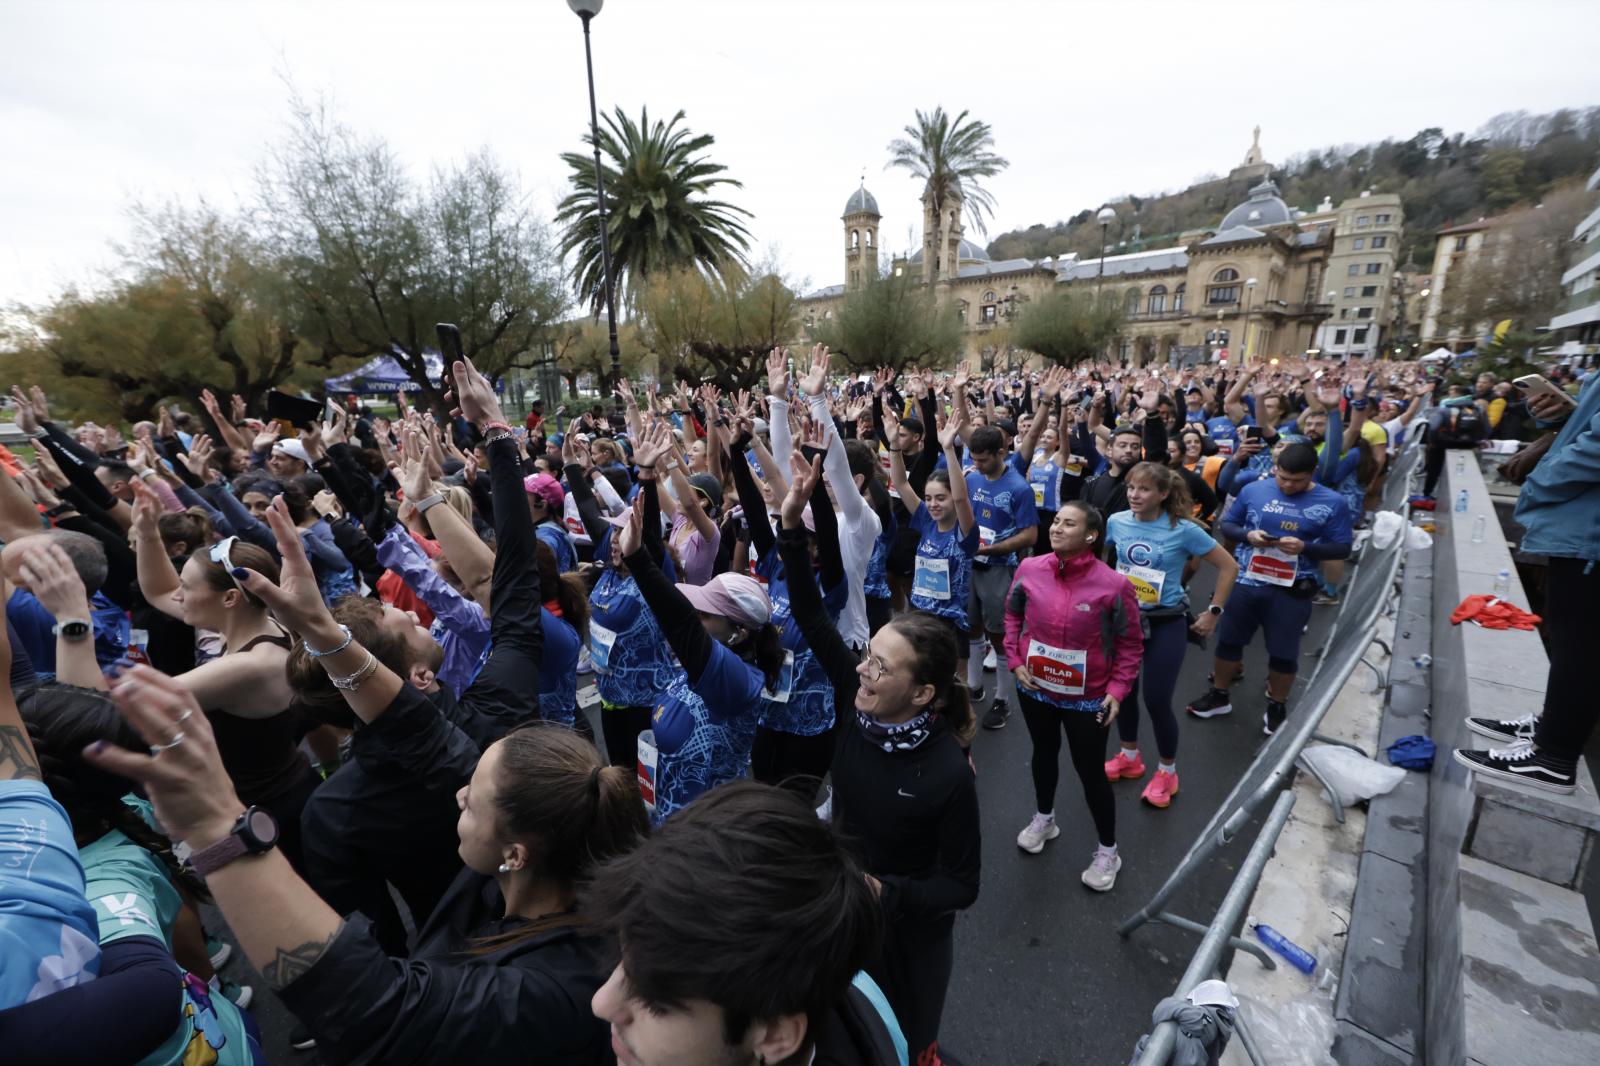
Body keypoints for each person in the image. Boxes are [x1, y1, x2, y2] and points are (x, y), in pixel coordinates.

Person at [83, 355, 650, 1066]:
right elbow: (443, 700)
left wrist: (213, 831)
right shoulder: (499, 754)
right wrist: (324, 632)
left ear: (515, 851)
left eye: (471, 802)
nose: (459, 790)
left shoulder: (546, 991)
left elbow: (368, 996)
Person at [775, 453, 979, 1065]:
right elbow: (811, 612)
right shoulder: (853, 695)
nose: (864, 669)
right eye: (869, 656)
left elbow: (961, 886)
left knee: (906, 1044)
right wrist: (791, 522)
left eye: (881, 667)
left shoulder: (947, 773)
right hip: (840, 912)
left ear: (921, 694)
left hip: (909, 938)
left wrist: (885, 892)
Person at [585, 781, 906, 1066]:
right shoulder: (853, 990)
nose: (601, 1002)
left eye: (655, 1002)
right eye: (622, 960)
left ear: (775, 1036)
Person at [129, 484, 321, 871]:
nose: (178, 596)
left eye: (188, 587)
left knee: (305, 916)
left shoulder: (248, 666)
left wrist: (71, 627)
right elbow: (159, 590)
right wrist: (148, 532)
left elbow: (128, 703)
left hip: (275, 816)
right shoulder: (259, 624)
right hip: (280, 798)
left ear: (230, 598)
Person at [618, 421, 783, 824]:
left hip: (704, 829)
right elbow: (666, 580)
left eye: (706, 614)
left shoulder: (737, 680)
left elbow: (679, 622)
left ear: (740, 631)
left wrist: (638, 561)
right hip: (664, 813)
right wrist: (645, 478)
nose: (695, 616)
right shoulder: (712, 659)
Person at [1454, 375, 1600, 793]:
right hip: (1582, 526)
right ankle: (1552, 724)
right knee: (1569, 634)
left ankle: (1553, 756)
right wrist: (1571, 417)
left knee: (1582, 643)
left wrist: (1540, 476)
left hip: (1590, 533)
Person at [1003, 501, 1143, 887]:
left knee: (1089, 771)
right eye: (1057, 521)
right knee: (1043, 755)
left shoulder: (1115, 585)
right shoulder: (1030, 568)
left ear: (1091, 536)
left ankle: (1108, 852)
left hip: (1088, 698)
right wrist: (1015, 661)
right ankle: (1044, 819)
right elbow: (1012, 615)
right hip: (1036, 690)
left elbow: (1131, 644)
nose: (1057, 528)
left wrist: (1117, 690)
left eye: (1069, 523)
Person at [1185, 443, 1354, 736]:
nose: (1288, 485)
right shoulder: (1255, 490)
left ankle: (1276, 703)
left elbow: (1342, 547)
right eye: (1282, 477)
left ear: (1312, 474)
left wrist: (1306, 547)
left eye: (1296, 481)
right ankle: (1220, 695)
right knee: (1228, 643)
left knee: (1283, 653)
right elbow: (1228, 525)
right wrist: (1248, 535)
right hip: (1248, 581)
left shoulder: (1333, 502)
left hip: (1291, 589)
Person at [1102, 464, 1237, 808]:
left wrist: (1214, 612)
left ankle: (1167, 771)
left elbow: (1228, 566)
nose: (1134, 495)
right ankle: (1129, 756)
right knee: (1124, 694)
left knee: (1157, 699)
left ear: (1163, 494)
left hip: (1166, 622)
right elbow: (1105, 563)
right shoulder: (1116, 522)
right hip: (1125, 623)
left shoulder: (1183, 529)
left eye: (1144, 489)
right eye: (1131, 488)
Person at [887, 409, 979, 690]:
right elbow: (901, 483)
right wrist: (893, 446)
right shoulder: (926, 519)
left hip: (950, 623)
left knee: (952, 689)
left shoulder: (965, 532)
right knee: (922, 683)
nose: (934, 504)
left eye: (941, 498)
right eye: (928, 498)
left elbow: (962, 498)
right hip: (919, 615)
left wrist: (948, 449)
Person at [959, 422, 1039, 731]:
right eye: (974, 459)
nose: (977, 465)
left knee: (999, 634)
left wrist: (993, 550)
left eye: (983, 460)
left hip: (999, 567)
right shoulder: (972, 479)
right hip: (970, 565)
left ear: (1001, 453)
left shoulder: (1019, 487)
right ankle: (975, 685)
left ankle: (1003, 699)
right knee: (971, 627)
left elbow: (1030, 535)